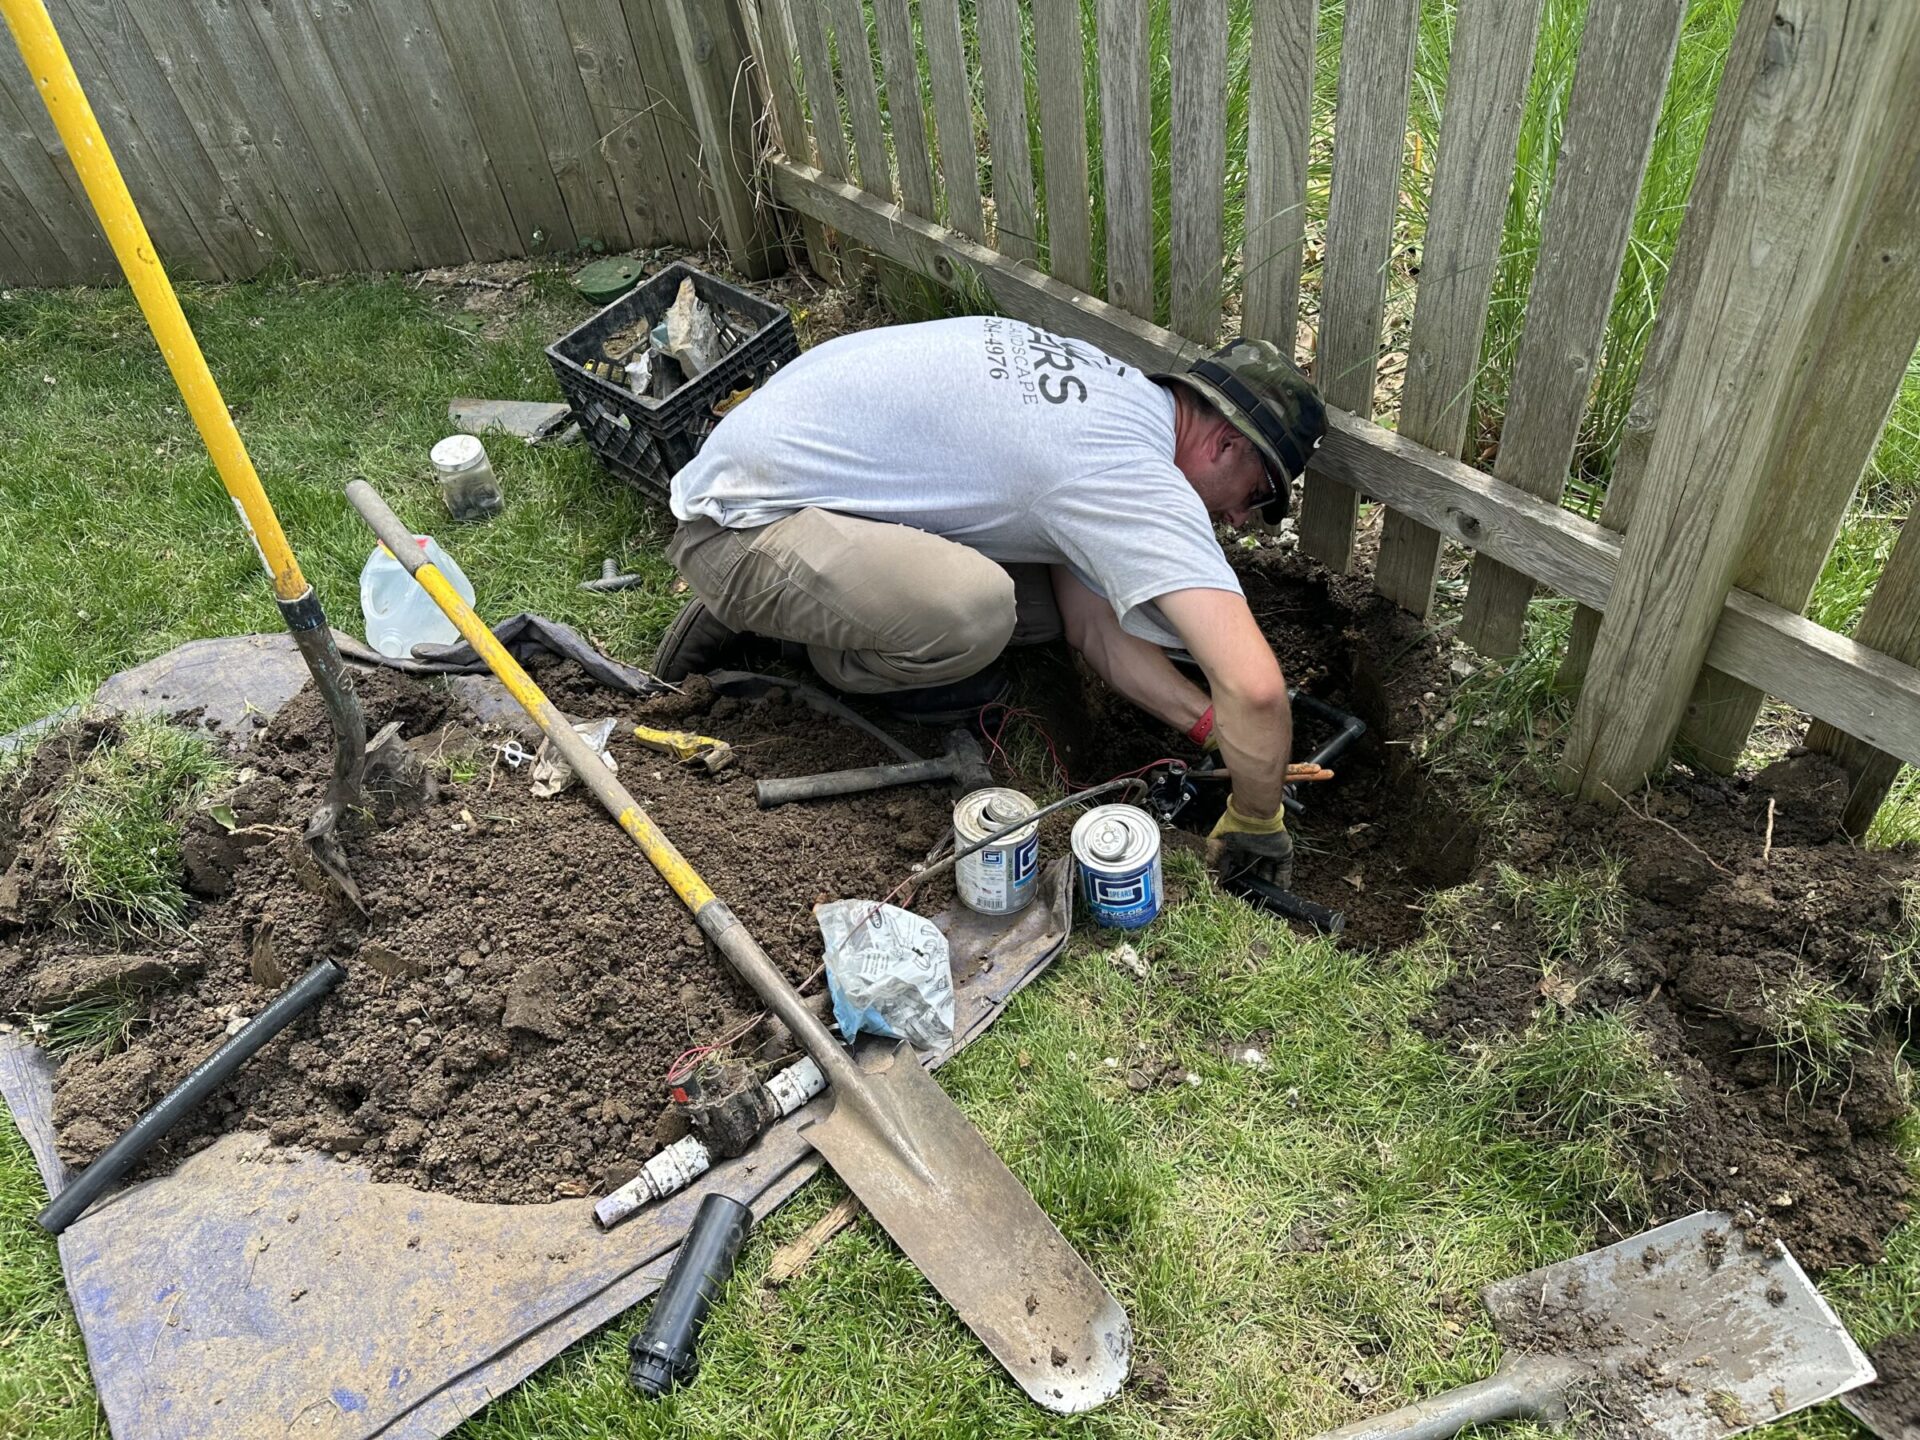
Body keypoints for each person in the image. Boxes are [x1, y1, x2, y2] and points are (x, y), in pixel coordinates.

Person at [652, 316, 1326, 886]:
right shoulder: (1127, 472)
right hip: (742, 524)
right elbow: (1259, 691)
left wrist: (1213, 729)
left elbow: (1093, 627)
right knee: (976, 612)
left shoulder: (1116, 397)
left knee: (1038, 608)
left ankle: (809, 591)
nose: (1242, 521)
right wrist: (1258, 822)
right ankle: (799, 632)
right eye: (1258, 495)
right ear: (1226, 443)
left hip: (793, 470)